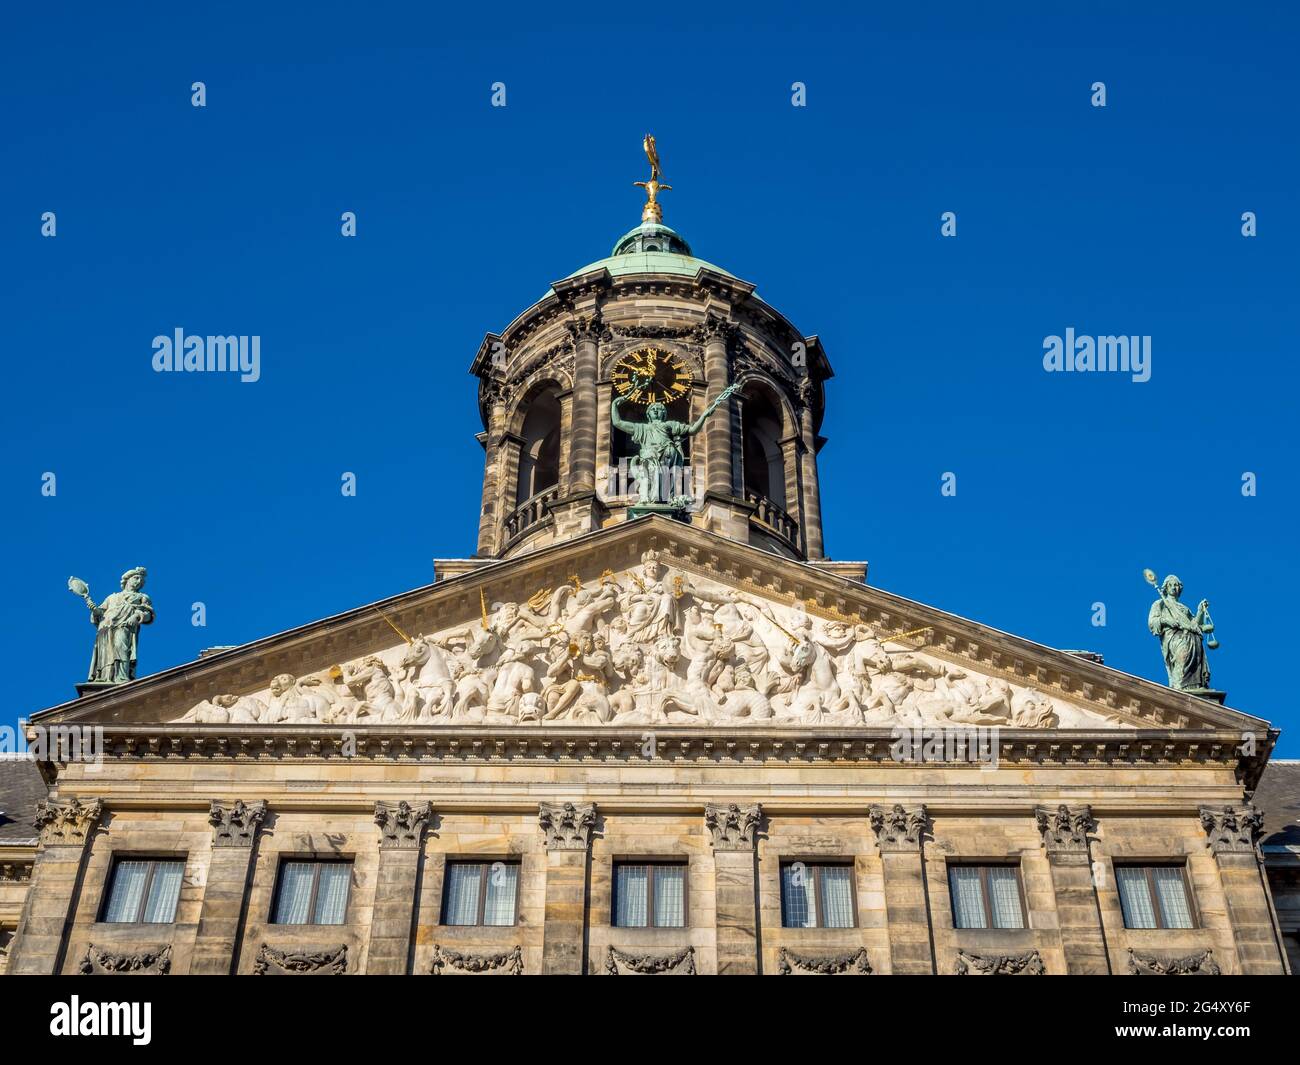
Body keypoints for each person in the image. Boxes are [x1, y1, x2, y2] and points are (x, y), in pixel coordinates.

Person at [87, 567, 154, 683]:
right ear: (127, 579)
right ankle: (105, 677)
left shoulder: (142, 597)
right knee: (106, 654)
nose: (138, 582)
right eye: (136, 578)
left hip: (124, 626)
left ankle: (121, 677)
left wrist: (136, 616)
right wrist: (94, 610)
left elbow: (148, 614)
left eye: (141, 581)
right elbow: (99, 614)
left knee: (121, 647)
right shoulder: (112, 597)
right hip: (106, 627)